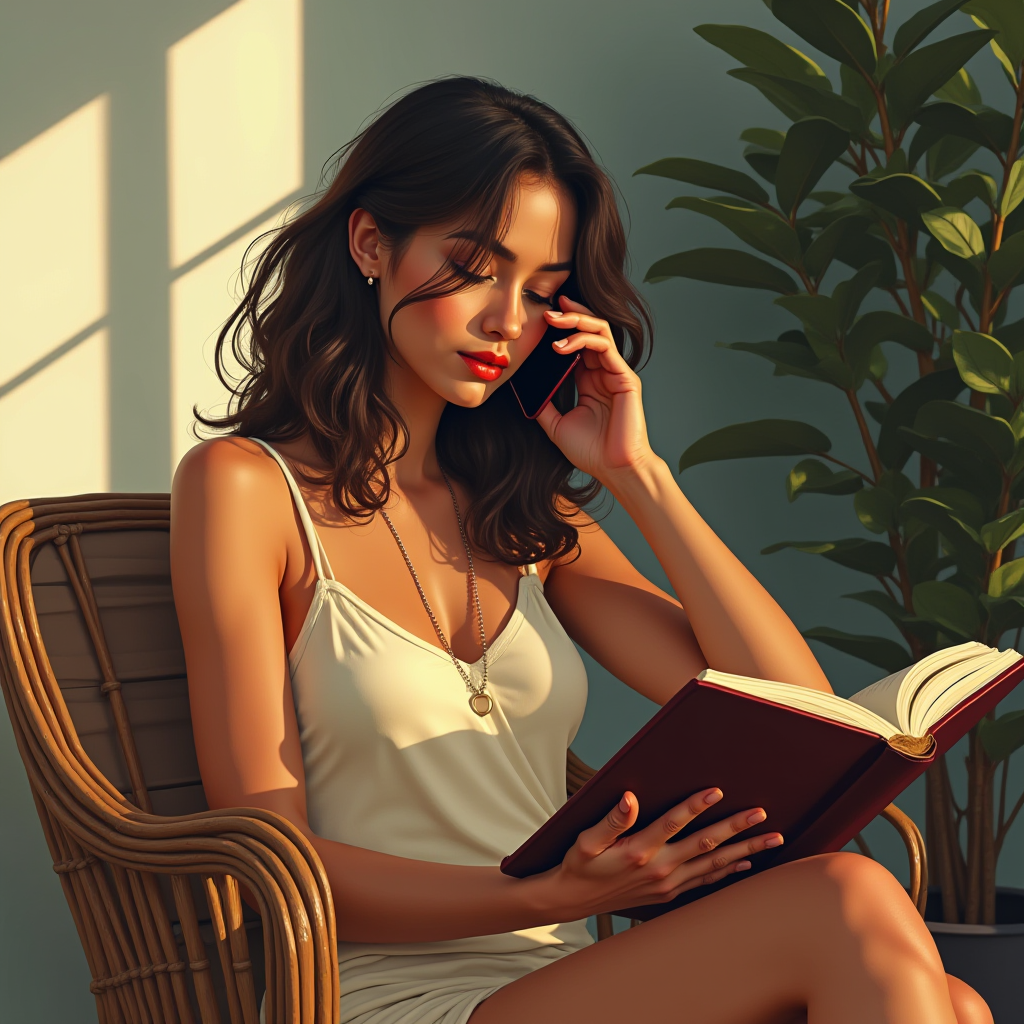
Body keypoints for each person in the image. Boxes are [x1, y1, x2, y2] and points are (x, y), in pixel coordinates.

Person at [169, 76, 992, 1024]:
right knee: (850, 903)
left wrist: (641, 475)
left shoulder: (528, 525)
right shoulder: (243, 488)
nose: (506, 321)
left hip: (564, 984)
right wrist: (547, 899)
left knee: (956, 1001)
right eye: (474, 266)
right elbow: (273, 850)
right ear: (370, 245)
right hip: (383, 995)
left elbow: (799, 711)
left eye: (542, 291)